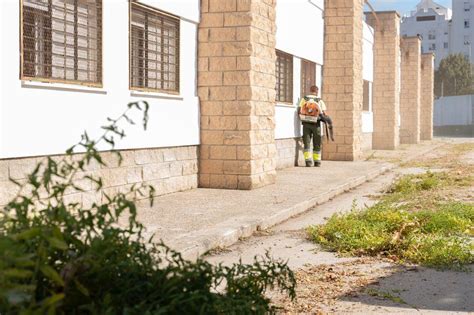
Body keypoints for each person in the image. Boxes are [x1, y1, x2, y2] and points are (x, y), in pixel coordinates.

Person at [298, 85, 327, 167]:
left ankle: (308, 162)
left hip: (306, 124)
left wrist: (303, 118)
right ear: (317, 91)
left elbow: (299, 110)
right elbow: (324, 113)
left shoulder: (304, 99)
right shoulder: (319, 100)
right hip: (316, 124)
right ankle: (317, 162)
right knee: (317, 143)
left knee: (307, 143)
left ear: (310, 90)